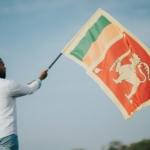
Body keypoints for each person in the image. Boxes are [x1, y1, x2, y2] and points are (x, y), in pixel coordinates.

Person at [0, 58, 48, 150]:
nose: (5, 68)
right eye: (2, 65)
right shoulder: (8, 85)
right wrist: (40, 78)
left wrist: (27, 85)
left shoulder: (8, 87)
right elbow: (30, 89)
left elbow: (10, 93)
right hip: (6, 136)